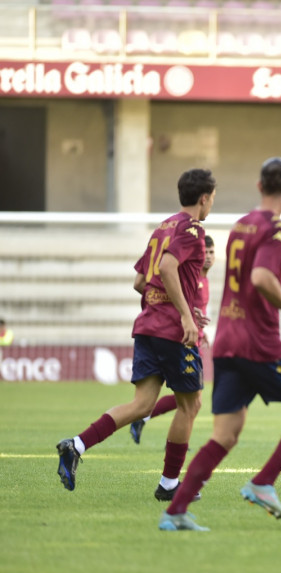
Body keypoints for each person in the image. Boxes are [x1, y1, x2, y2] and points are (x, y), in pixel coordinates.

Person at [159, 157, 281, 532]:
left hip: (227, 340)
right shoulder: (278, 228)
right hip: (259, 343)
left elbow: (254, 280)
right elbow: (260, 277)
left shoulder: (240, 225)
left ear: (258, 187)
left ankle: (175, 512)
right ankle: (263, 482)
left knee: (225, 434)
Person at [55, 168, 216, 502]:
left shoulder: (163, 228)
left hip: (147, 326)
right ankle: (169, 484)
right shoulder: (192, 229)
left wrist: (172, 306)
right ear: (205, 198)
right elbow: (169, 268)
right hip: (172, 331)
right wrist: (185, 316)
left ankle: (77, 444)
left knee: (142, 404)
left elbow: (141, 282)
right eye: (213, 197)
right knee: (191, 403)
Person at [130, 235, 216, 445]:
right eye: (205, 253)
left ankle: (151, 421)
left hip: (194, 337)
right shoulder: (192, 276)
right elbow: (176, 299)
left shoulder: (204, 279)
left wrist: (202, 333)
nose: (209, 257)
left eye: (212, 252)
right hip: (182, 339)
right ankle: (163, 431)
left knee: (190, 400)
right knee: (192, 400)